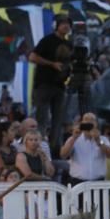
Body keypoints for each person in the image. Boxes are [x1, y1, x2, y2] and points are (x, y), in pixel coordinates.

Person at [29, 14, 73, 152]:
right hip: (44, 84)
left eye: (68, 24)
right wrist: (51, 64)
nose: (66, 26)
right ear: (57, 25)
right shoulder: (47, 40)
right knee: (41, 119)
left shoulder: (69, 44)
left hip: (60, 86)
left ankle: (55, 150)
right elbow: (32, 56)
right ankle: (39, 148)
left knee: (58, 121)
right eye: (63, 23)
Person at [60, 113, 110, 185]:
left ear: (96, 124)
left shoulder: (103, 139)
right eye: (86, 119)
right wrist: (74, 138)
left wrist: (98, 141)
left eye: (92, 120)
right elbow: (63, 155)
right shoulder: (74, 139)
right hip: (77, 183)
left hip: (98, 183)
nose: (89, 122)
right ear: (82, 123)